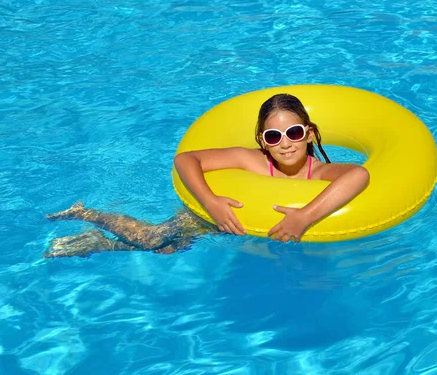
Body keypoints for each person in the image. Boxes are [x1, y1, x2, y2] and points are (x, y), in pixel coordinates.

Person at [44, 94, 369, 258]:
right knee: (153, 239)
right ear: (262, 141)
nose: (284, 143)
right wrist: (211, 203)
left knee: (167, 252)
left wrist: (304, 217)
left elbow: (359, 174)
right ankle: (86, 212)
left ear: (310, 134)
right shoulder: (253, 161)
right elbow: (186, 159)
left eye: (294, 132)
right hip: (213, 217)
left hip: (240, 231)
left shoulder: (321, 173)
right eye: (273, 137)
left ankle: (100, 244)